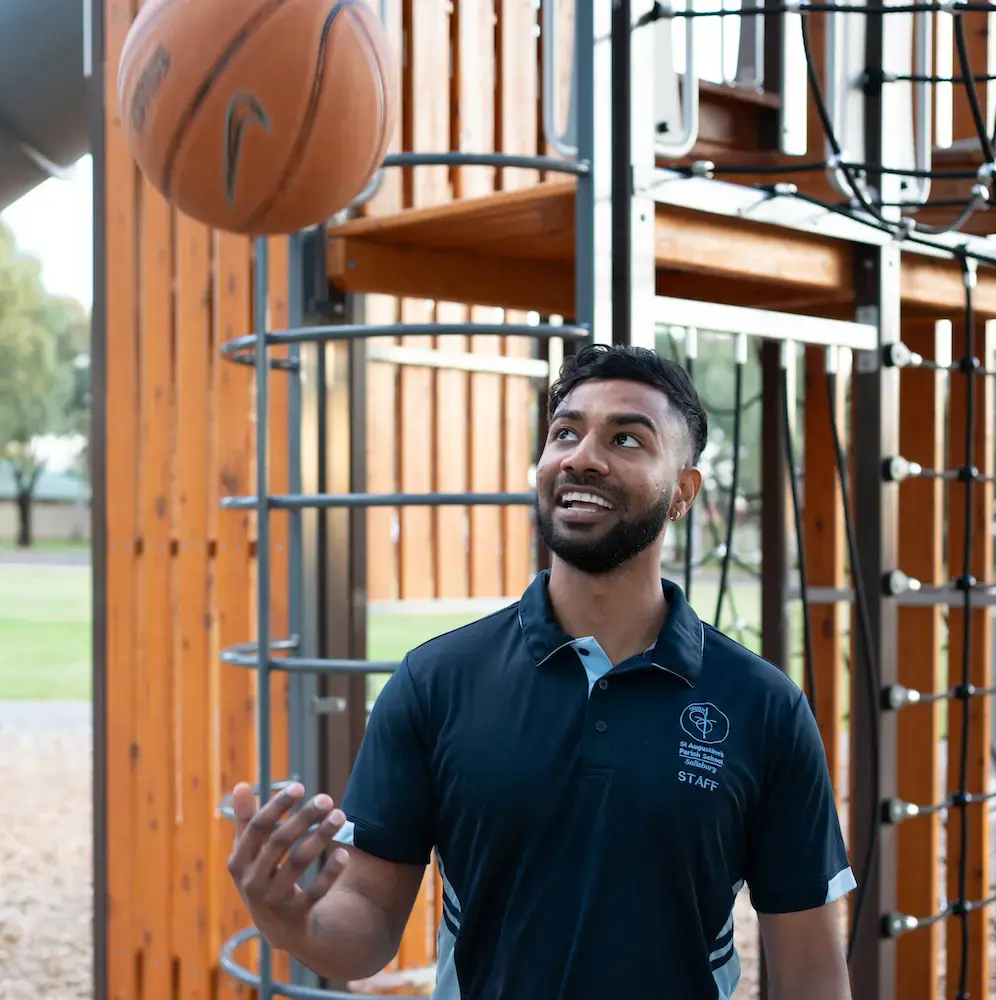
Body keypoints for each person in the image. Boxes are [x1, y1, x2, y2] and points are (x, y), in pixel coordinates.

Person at [227, 343, 856, 999]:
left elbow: (812, 976)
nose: (582, 457)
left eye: (626, 439)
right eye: (566, 432)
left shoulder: (765, 706)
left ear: (683, 492)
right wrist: (291, 921)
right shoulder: (436, 682)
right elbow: (367, 921)